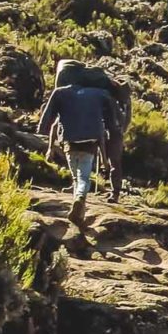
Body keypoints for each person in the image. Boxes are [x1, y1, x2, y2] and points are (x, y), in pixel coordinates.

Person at [36, 71, 122, 227]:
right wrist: (104, 158)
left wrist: (49, 146)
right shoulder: (99, 94)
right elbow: (104, 131)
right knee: (83, 178)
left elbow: (52, 122)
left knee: (76, 177)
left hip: (69, 142)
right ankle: (80, 199)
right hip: (89, 144)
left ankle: (78, 208)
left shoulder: (61, 92)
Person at [54, 60, 130, 202]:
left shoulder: (112, 98)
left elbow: (124, 118)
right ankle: (77, 185)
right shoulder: (106, 94)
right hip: (102, 128)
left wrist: (120, 129)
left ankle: (115, 193)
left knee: (112, 161)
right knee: (84, 154)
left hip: (111, 130)